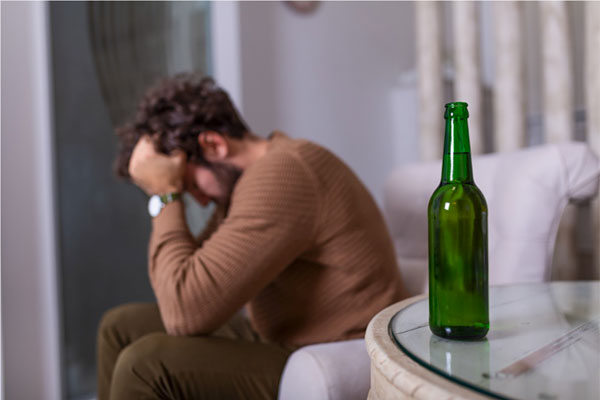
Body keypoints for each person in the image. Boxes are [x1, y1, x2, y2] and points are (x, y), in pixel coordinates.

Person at [97, 73, 405, 400]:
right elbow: (182, 283)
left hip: (326, 351)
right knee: (120, 327)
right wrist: (166, 196)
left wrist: (165, 196)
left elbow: (183, 311)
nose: (197, 200)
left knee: (145, 365)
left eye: (190, 185)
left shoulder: (283, 174)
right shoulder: (250, 181)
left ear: (213, 145)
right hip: (279, 337)